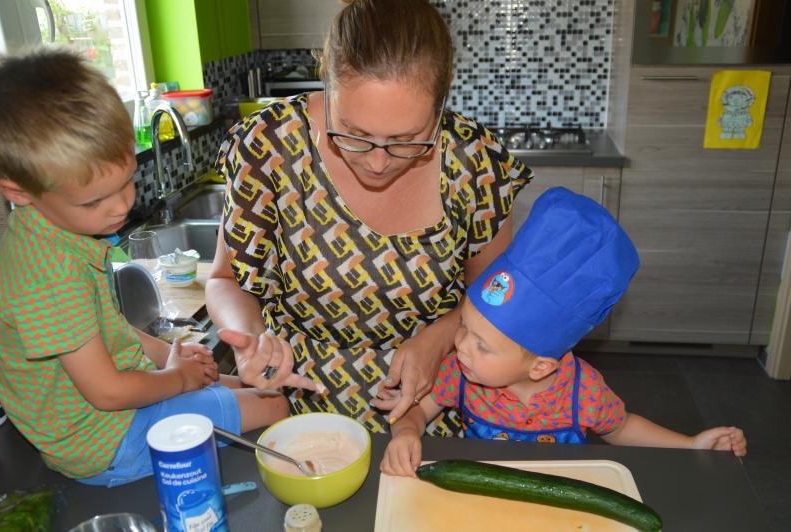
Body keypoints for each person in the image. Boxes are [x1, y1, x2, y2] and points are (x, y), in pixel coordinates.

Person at [208, 0, 532, 434]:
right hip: (295, 411)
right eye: (354, 135)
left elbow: (495, 298)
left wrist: (438, 339)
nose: (378, 163)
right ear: (327, 81)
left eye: (407, 139)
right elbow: (225, 280)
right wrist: (252, 342)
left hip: (431, 410)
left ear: (443, 97)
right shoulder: (271, 146)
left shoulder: (475, 162)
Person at [0, 48, 288, 487]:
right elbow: (108, 392)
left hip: (121, 408)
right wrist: (176, 379)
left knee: (248, 387)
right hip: (105, 441)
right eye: (94, 201)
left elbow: (103, 329)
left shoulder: (60, 231)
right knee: (274, 406)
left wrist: (168, 363)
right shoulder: (44, 272)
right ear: (18, 191)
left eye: (127, 179)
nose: (122, 206)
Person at [381, 187, 748, 476]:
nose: (460, 347)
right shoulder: (460, 373)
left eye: (482, 345)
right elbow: (416, 410)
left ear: (540, 366)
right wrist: (407, 433)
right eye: (464, 328)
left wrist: (689, 445)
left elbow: (622, 428)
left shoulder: (583, 391)